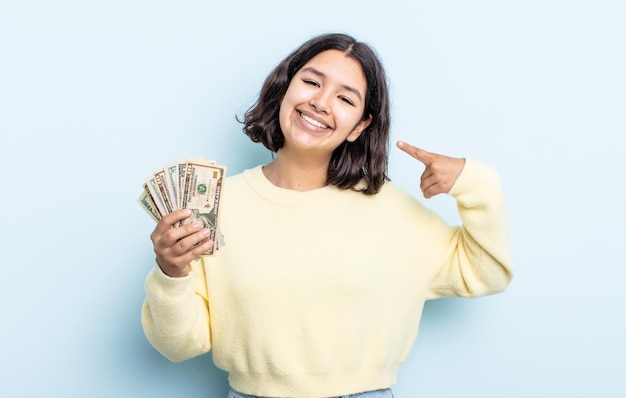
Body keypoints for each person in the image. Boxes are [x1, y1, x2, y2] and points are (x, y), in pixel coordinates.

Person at [142, 33, 513, 398]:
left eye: (344, 98)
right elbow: (179, 345)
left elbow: (487, 272)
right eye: (310, 82)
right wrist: (170, 273)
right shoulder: (217, 207)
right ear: (285, 89)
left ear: (360, 126)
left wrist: (475, 182)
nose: (320, 102)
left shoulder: (393, 211)